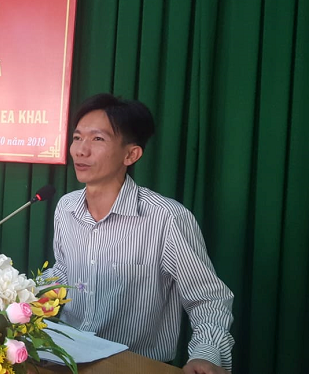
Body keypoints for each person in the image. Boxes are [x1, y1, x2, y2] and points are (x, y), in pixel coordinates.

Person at [43, 94, 234, 374]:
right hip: (65, 359)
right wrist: (15, 297)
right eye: (77, 137)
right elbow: (65, 271)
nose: (81, 150)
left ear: (131, 155)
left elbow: (208, 299)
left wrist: (207, 354)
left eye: (98, 139)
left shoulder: (166, 218)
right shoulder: (66, 207)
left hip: (133, 366)